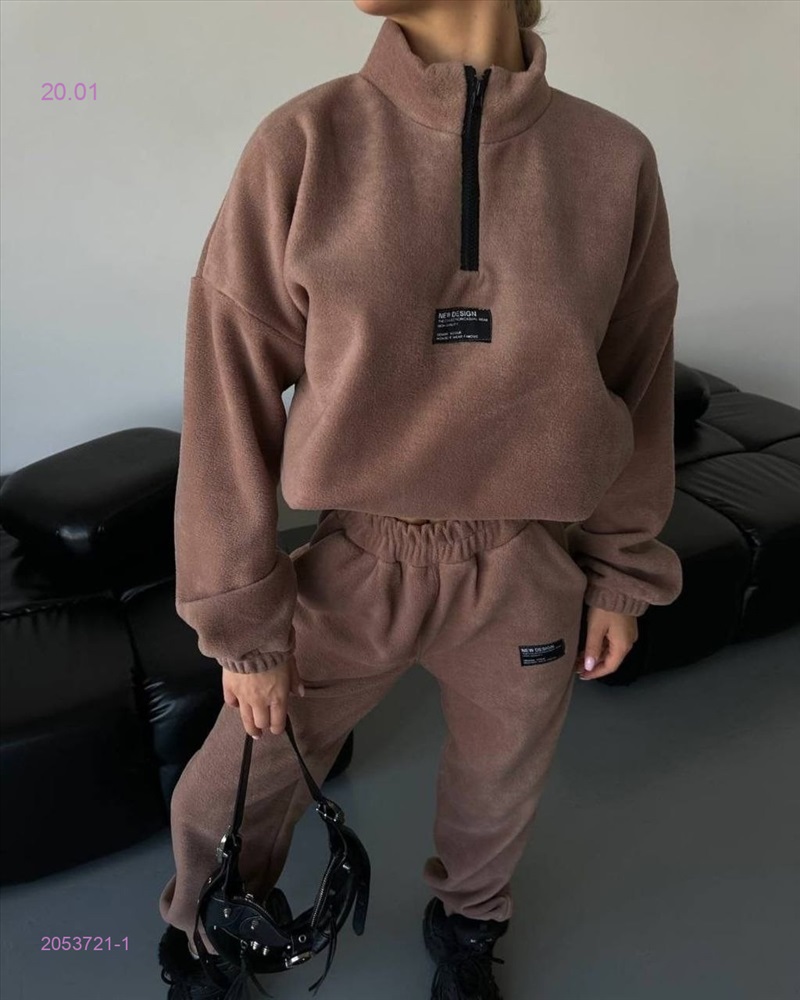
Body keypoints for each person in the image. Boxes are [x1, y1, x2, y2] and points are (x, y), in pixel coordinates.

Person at [156, 0, 683, 997]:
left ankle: (468, 927)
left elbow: (636, 376)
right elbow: (226, 389)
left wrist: (620, 571)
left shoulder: (613, 160)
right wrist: (244, 629)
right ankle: (205, 933)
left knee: (499, 787)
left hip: (523, 565)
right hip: (357, 558)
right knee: (231, 783)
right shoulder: (306, 143)